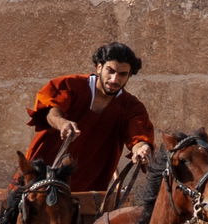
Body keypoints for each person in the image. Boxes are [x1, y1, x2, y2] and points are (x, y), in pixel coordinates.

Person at [24, 42, 155, 192]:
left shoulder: (132, 107)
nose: (114, 79)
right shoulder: (70, 85)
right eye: (110, 71)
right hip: (42, 172)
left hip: (90, 184)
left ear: (129, 75)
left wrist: (142, 148)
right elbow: (51, 112)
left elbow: (138, 136)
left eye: (122, 74)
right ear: (99, 67)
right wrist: (62, 124)